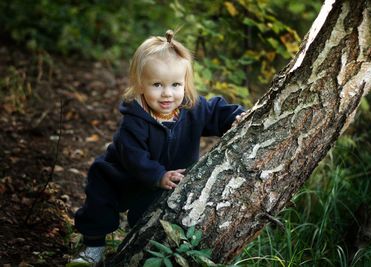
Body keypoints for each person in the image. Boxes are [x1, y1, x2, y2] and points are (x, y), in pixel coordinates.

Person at [71, 30, 245, 264]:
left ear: (185, 84)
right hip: (121, 175)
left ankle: (134, 244)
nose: (167, 94)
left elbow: (215, 111)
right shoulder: (134, 120)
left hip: (158, 184)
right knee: (99, 204)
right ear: (140, 84)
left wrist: (236, 117)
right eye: (157, 85)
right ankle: (93, 249)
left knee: (146, 216)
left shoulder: (190, 108)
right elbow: (133, 157)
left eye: (175, 84)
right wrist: (157, 174)